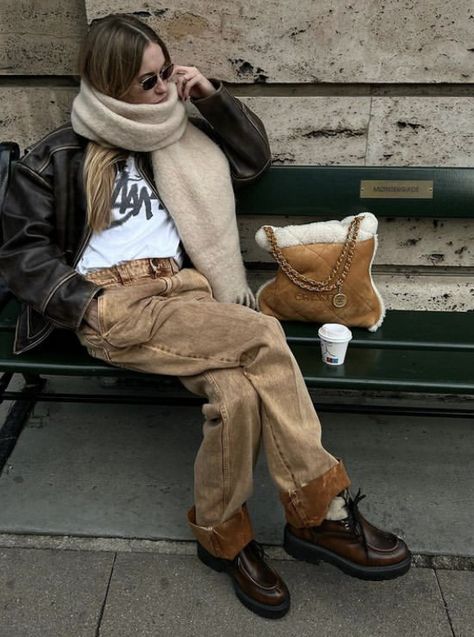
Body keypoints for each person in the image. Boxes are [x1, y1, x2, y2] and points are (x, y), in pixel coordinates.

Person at [0, 14, 411, 619]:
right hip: (112, 302)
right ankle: (321, 511)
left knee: (238, 395)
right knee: (263, 335)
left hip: (188, 296)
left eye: (167, 71)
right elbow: (22, 253)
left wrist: (212, 99)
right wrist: (88, 302)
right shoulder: (59, 154)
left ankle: (224, 539)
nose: (164, 87)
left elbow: (253, 158)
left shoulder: (181, 133)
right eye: (148, 81)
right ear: (110, 84)